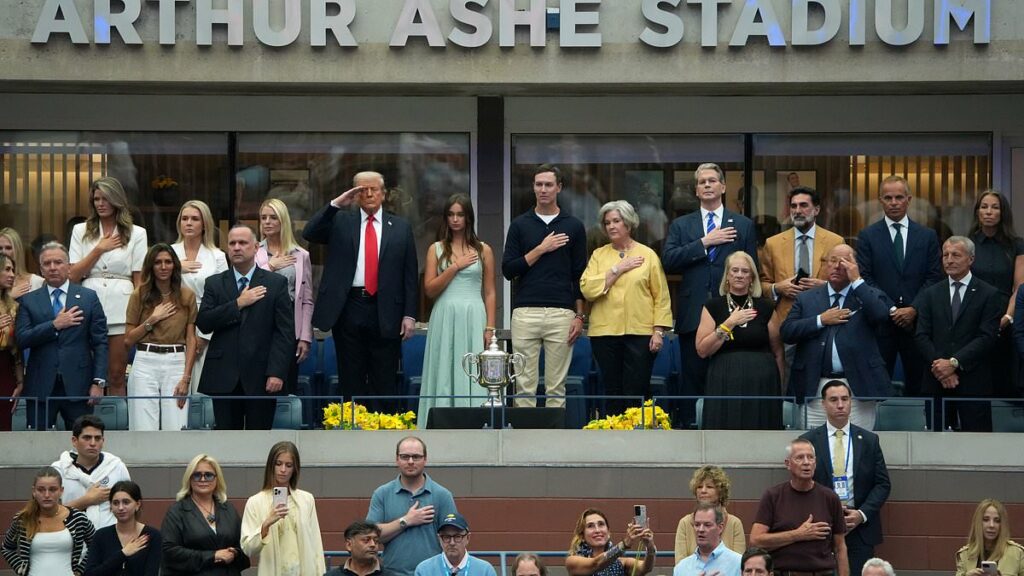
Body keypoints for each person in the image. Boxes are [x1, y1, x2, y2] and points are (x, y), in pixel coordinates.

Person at [303, 171, 419, 413]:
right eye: (362, 190)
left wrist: (409, 314)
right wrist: (336, 204)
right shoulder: (340, 221)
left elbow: (409, 275)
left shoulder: (400, 227)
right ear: (354, 194)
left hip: (386, 308)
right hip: (349, 306)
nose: (368, 194)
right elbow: (310, 233)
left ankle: (382, 427)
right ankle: (353, 428)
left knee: (384, 375)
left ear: (383, 194)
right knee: (351, 375)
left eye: (374, 189)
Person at [663, 163, 758, 427]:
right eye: (702, 182)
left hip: (732, 313)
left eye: (712, 181)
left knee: (729, 377)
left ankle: (727, 428)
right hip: (693, 313)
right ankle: (691, 428)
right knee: (692, 378)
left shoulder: (743, 224)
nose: (707, 185)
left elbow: (753, 270)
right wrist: (705, 242)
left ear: (723, 187)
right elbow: (668, 261)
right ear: (696, 190)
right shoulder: (682, 225)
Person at [502, 164, 587, 409]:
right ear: (533, 187)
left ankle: (553, 442)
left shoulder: (573, 225)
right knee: (524, 385)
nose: (543, 189)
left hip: (562, 313)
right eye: (538, 184)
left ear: (559, 187)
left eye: (548, 184)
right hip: (525, 311)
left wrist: (579, 315)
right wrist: (541, 249)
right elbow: (508, 270)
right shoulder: (520, 225)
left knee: (556, 387)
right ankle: (524, 441)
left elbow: (579, 275)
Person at [781, 245, 892, 428]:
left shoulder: (866, 294)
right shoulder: (807, 298)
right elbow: (787, 332)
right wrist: (820, 320)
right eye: (832, 261)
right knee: (814, 448)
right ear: (825, 265)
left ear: (855, 266)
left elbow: (881, 315)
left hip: (857, 386)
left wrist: (856, 280)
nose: (837, 266)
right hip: (815, 386)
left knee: (858, 444)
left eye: (844, 262)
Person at [195, 224, 294, 430]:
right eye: (232, 243)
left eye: (243, 243)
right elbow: (204, 322)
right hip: (223, 376)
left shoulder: (275, 283)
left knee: (259, 441)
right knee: (227, 442)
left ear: (256, 247)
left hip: (262, 377)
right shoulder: (215, 283)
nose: (237, 247)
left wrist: (276, 372)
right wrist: (238, 304)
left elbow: (284, 332)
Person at [580, 200, 673, 416]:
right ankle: (614, 436)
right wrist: (617, 269)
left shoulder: (648, 255)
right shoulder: (599, 255)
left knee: (636, 389)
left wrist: (658, 331)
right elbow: (587, 288)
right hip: (604, 333)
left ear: (628, 224)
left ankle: (636, 436)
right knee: (612, 389)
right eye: (607, 223)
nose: (611, 226)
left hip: (640, 333)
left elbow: (661, 296)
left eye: (616, 221)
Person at [856, 175, 943, 400]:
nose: (893, 202)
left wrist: (913, 308)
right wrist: (892, 310)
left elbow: (934, 277)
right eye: (888, 198)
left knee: (920, 384)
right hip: (881, 323)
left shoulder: (927, 236)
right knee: (878, 386)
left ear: (909, 199)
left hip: (918, 323)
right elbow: (865, 278)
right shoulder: (867, 236)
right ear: (880, 201)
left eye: (898, 197)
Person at [800, 380, 892, 576]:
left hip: (859, 528)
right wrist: (826, 510)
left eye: (845, 399)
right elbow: (801, 484)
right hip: (821, 527)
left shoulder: (869, 440)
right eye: (833, 400)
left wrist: (862, 514)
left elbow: (883, 484)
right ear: (823, 404)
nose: (840, 405)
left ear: (851, 402)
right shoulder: (808, 441)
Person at [419, 194, 497, 424]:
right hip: (444, 314)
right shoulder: (436, 249)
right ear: (445, 218)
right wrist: (455, 267)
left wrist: (490, 327)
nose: (455, 219)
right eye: (451, 214)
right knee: (444, 365)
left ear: (468, 218)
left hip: (474, 314)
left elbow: (491, 291)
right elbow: (430, 289)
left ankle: (476, 421)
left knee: (473, 367)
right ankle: (439, 420)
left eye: (460, 214)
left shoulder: (484, 250)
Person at [69, 176, 148, 397]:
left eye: (106, 198)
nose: (101, 203)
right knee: (86, 373)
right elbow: (73, 274)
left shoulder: (137, 233)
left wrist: (138, 312)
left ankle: (117, 424)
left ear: (117, 200)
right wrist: (99, 249)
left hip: (121, 304)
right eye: (96, 199)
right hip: (86, 301)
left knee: (116, 373)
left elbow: (139, 280)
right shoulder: (80, 230)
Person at [16, 242, 108, 430]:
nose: (53, 267)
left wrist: (98, 381)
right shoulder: (28, 300)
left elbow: (100, 343)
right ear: (41, 269)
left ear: (68, 266)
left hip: (79, 384)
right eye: (47, 263)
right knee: (38, 442)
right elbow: (22, 338)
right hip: (40, 385)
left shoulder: (88, 297)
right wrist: (54, 325)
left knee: (82, 442)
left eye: (58, 262)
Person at [915, 236, 1002, 431]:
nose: (949, 259)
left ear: (971, 259)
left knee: (977, 447)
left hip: (973, 383)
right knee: (935, 447)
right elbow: (921, 335)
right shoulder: (931, 294)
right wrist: (941, 368)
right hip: (936, 382)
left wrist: (954, 363)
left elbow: (987, 337)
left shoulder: (988, 293)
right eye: (945, 255)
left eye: (956, 255)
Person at [695, 251, 783, 429]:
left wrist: (779, 389)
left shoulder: (766, 307)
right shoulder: (713, 306)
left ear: (752, 278)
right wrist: (729, 323)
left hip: (762, 381)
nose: (739, 275)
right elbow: (702, 350)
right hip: (724, 380)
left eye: (745, 271)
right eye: (735, 270)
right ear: (727, 275)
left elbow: (778, 351)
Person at [124, 244, 197, 431]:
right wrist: (152, 319)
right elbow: (128, 339)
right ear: (151, 266)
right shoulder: (139, 295)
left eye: (168, 262)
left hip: (176, 361)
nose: (163, 267)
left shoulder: (186, 296)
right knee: (143, 428)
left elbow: (191, 339)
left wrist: (186, 378)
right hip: (145, 360)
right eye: (158, 262)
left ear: (174, 265)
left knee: (176, 426)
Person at [749, 439, 848, 576]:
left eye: (810, 457)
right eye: (800, 458)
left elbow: (840, 547)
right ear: (788, 464)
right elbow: (756, 540)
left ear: (815, 462)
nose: (806, 462)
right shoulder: (773, 496)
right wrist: (798, 535)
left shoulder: (830, 497)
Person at [367, 436, 458, 576]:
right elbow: (371, 535)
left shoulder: (442, 495)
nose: (410, 461)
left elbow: (454, 539)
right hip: (391, 573)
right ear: (397, 459)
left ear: (425, 459)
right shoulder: (382, 494)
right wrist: (406, 521)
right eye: (405, 457)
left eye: (416, 457)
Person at [255, 198, 314, 394]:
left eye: (273, 217)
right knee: (258, 385)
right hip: (259, 321)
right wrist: (270, 266)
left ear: (283, 221)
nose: (267, 222)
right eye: (263, 218)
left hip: (289, 324)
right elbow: (246, 284)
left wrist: (305, 336)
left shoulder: (301, 255)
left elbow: (306, 300)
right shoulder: (253, 251)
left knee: (285, 384)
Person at [241, 441, 326, 576]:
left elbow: (316, 544)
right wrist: (266, 525)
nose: (283, 470)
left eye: (289, 465)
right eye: (278, 464)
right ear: (271, 466)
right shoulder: (255, 502)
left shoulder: (306, 499)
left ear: (295, 468)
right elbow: (248, 549)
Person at [969, 191, 1024, 398]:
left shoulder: (1016, 245)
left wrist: (1008, 317)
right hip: (974, 318)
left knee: (1005, 377)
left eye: (995, 207)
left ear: (1003, 213)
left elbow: (1020, 287)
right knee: (977, 378)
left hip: (1007, 317)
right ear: (977, 212)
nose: (989, 212)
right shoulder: (969, 243)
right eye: (984, 207)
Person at [760, 188, 844, 322]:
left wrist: (824, 287)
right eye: (793, 206)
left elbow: (846, 282)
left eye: (803, 205)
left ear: (816, 210)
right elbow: (761, 284)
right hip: (785, 319)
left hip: (824, 317)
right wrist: (778, 288)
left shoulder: (835, 242)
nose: (797, 211)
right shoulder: (772, 244)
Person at [171, 199, 229, 391]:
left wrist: (205, 335)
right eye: (184, 218)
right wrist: (176, 268)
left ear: (204, 224)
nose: (188, 223)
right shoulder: (169, 253)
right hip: (173, 321)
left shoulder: (217, 256)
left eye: (194, 219)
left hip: (207, 323)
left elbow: (223, 298)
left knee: (201, 385)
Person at [161, 454, 249, 576]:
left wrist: (235, 553)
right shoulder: (177, 511)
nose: (203, 480)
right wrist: (212, 556)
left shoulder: (228, 509)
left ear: (217, 479)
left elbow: (244, 546)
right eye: (197, 475)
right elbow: (169, 552)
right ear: (189, 479)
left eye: (208, 475)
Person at [1, 466, 95, 576]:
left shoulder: (77, 518)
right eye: (41, 490)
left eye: (52, 489)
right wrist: (20, 569)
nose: (46, 495)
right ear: (34, 492)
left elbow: (97, 545)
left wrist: (80, 570)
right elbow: (7, 548)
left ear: (61, 491)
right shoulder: (23, 519)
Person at [51, 414, 131, 529]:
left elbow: (130, 506)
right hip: (70, 539)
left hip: (110, 540)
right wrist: (87, 500)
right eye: (87, 438)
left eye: (97, 438)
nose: (93, 443)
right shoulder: (59, 470)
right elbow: (47, 514)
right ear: (74, 441)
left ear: (103, 441)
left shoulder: (116, 467)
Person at [83, 480, 162, 576]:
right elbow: (90, 574)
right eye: (115, 503)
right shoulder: (101, 536)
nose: (120, 507)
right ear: (111, 506)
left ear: (137, 504)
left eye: (126, 502)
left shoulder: (152, 536)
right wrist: (123, 554)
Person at [674, 465, 746, 564]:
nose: (703, 491)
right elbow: (680, 565)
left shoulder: (734, 523)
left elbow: (739, 564)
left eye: (709, 487)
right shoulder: (685, 523)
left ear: (721, 492)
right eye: (699, 487)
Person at [565, 508, 656, 576]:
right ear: (582, 535)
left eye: (601, 524)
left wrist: (650, 546)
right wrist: (624, 544)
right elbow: (596, 563)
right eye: (590, 526)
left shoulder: (622, 562)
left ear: (608, 532)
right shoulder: (572, 561)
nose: (597, 530)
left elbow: (645, 568)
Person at [414, 513, 497, 576]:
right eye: (446, 537)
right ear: (439, 539)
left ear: (467, 538)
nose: (452, 543)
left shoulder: (485, 570)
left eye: (458, 536)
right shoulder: (424, 570)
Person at [955, 499, 1024, 576]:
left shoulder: (1017, 553)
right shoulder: (965, 554)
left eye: (997, 520)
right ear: (978, 523)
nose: (991, 525)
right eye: (986, 519)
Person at [674, 503, 742, 576]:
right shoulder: (681, 568)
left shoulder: (738, 563)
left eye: (707, 525)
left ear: (720, 528)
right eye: (697, 525)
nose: (700, 529)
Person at [0, 253, 24, 431]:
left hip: (5, 370)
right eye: (7, 269)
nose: (12, 274)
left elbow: (17, 350)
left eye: (13, 270)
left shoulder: (14, 306)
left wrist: (20, 382)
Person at [0, 227, 44, 299]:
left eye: (8, 248)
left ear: (17, 250)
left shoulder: (36, 282)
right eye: (0, 248)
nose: (3, 252)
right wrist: (8, 298)